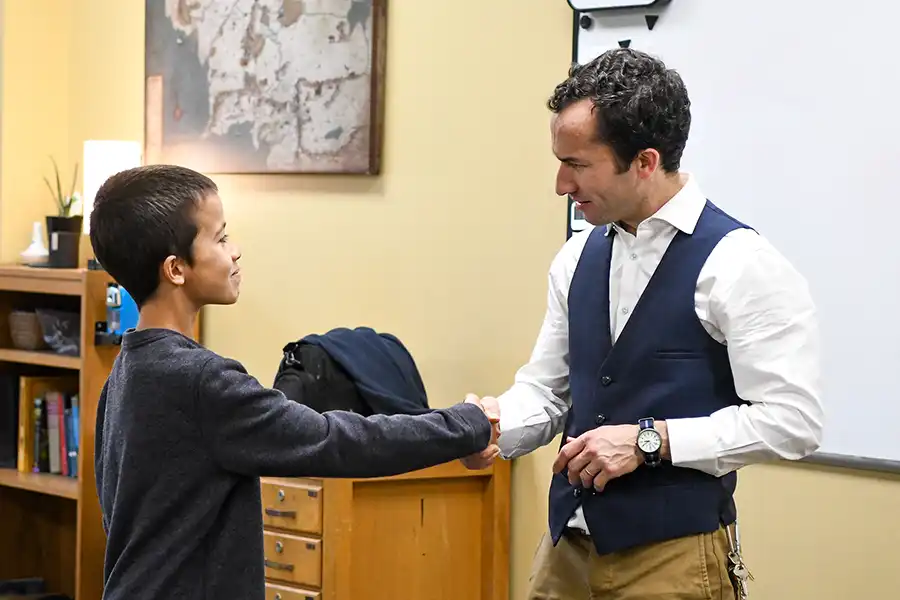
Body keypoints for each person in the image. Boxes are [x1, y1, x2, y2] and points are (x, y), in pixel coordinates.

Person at [463, 48, 824, 599]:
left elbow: (792, 421)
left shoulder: (740, 264)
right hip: (565, 553)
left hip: (673, 560)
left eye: (578, 165)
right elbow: (548, 391)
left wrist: (650, 441)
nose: (561, 184)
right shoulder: (575, 259)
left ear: (646, 161)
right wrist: (489, 428)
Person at [88, 164, 499, 600]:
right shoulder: (200, 380)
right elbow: (335, 440)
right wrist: (465, 424)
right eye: (221, 238)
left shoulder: (127, 370)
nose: (236, 251)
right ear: (175, 269)